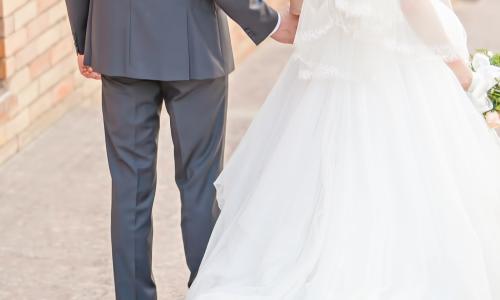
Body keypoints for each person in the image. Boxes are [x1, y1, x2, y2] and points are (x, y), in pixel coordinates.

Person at [187, 0, 500, 298]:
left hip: (337, 62)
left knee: (323, 171)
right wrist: (463, 73)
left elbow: (300, 7)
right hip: (395, 68)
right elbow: (412, 5)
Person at [63, 0, 299, 299]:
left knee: (129, 185)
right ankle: (207, 291)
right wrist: (270, 22)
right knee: (200, 181)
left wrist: (86, 36)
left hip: (119, 41)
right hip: (194, 42)